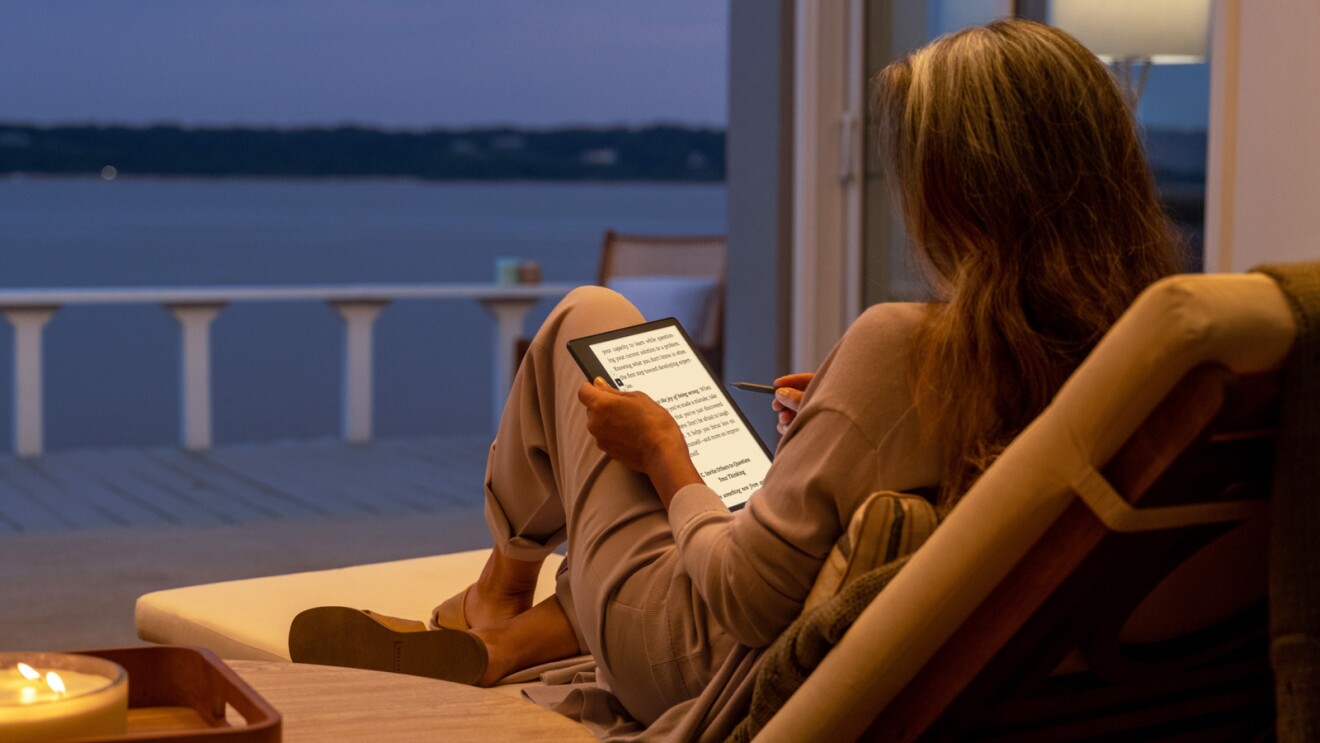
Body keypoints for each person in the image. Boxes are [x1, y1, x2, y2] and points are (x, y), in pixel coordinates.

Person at [290, 17, 1183, 738]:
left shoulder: (906, 348)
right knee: (678, 463)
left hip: (703, 651)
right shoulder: (1137, 355)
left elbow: (748, 602)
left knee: (586, 318)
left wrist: (668, 454)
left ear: (962, 190)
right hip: (931, 638)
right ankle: (516, 638)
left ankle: (502, 584)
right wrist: (830, 442)